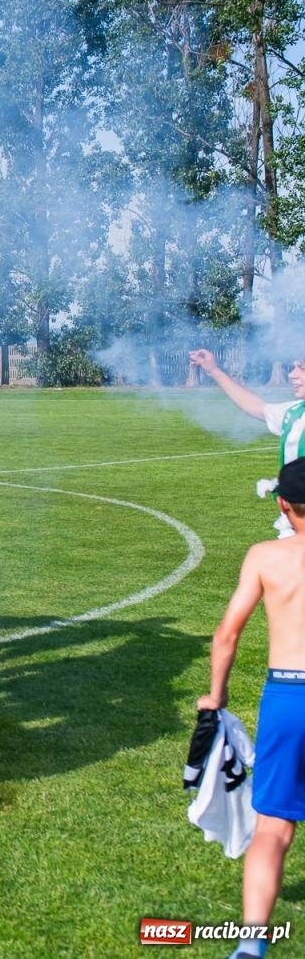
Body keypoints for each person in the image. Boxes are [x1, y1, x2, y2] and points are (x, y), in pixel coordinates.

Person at [199, 458, 305, 959]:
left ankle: (251, 943)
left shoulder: (265, 556)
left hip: (288, 696)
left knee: (273, 826)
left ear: (283, 505)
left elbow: (227, 634)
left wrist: (216, 696)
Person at [190, 349, 305, 538]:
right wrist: (214, 371)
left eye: (301, 368)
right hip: (294, 524)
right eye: (293, 368)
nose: (292, 374)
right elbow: (255, 407)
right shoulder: (293, 413)